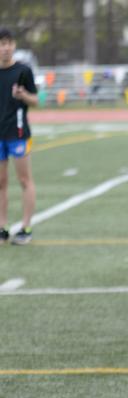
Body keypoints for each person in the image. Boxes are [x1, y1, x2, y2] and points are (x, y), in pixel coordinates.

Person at [0, 27, 39, 245]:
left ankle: (26, 227)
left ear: (13, 45)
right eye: (1, 44)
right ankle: (2, 227)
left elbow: (36, 100)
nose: (5, 48)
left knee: (24, 180)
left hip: (18, 133)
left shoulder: (23, 71)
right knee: (0, 182)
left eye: (8, 43)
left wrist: (23, 94)